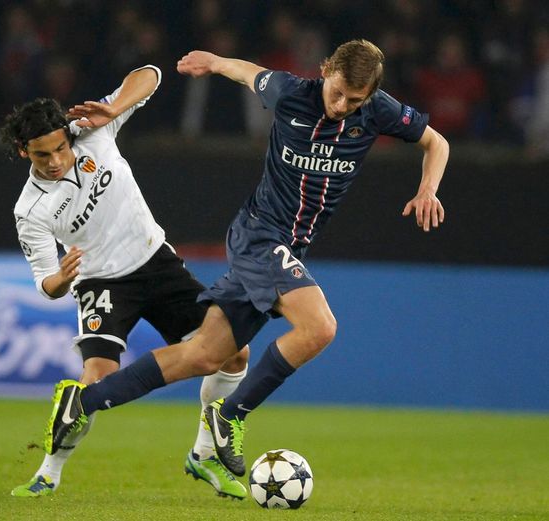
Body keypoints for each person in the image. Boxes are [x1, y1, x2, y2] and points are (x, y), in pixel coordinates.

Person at [42, 39, 450, 478]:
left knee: (202, 356)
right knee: (320, 327)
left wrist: (428, 188)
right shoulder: (291, 92)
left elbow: (436, 142)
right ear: (326, 69)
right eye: (337, 92)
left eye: (355, 99)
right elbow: (245, 70)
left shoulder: (380, 110)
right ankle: (231, 414)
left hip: (288, 246)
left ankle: (82, 402)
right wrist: (213, 62)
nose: (342, 105)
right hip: (259, 235)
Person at [0, 64, 249, 499]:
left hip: (156, 262)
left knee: (234, 353)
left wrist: (114, 107)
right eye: (43, 155)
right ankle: (48, 473)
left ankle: (204, 453)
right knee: (94, 381)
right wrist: (60, 278)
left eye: (61, 148)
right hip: (101, 283)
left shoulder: (92, 130)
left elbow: (151, 75)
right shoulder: (30, 211)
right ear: (24, 152)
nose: (57, 161)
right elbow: (45, 283)